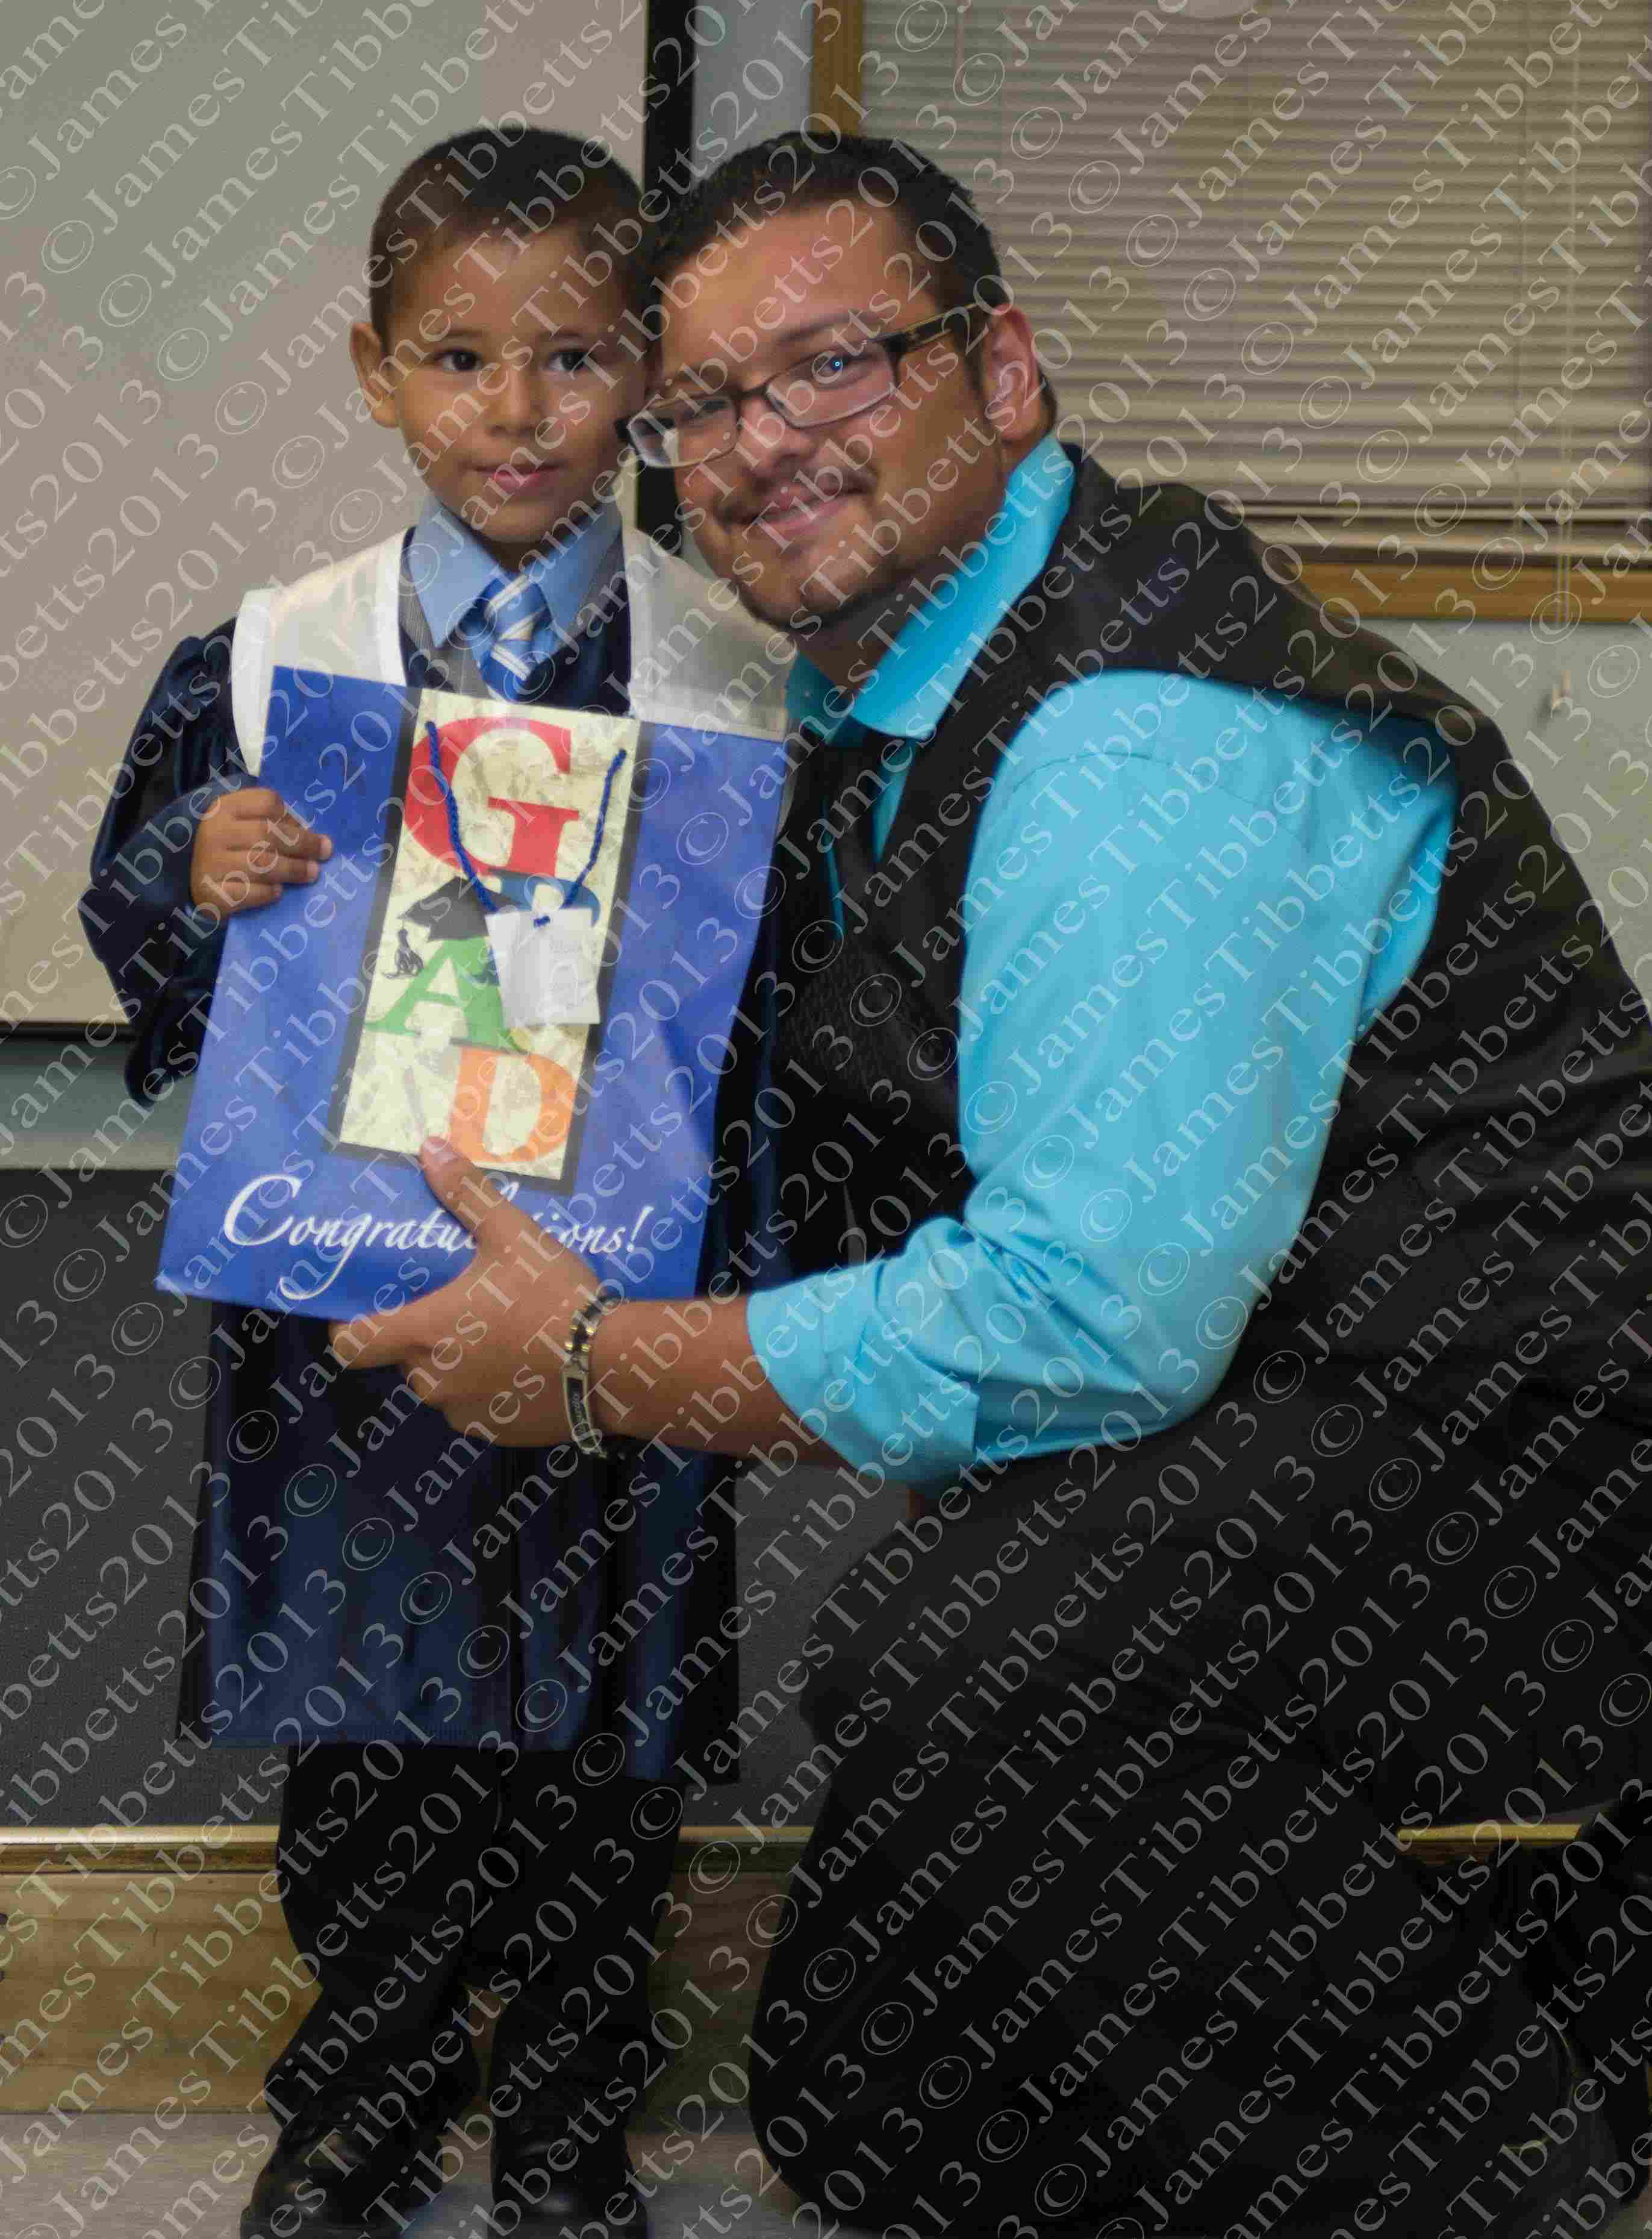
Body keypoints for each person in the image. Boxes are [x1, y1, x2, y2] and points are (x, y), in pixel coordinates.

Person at [334, 132, 1652, 2238]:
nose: (762, 445)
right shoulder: (892, 695)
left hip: (1542, 1456)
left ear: (1004, 371)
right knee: (868, 2089)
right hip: (1294, 1397)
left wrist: (590, 1363)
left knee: (972, 1667)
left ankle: (1486, 2173)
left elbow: (1090, 1318)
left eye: (835, 365)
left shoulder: (1135, 735)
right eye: (702, 404)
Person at [79, 127, 787, 2239]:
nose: (517, 410)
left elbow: (798, 996)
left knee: (600, 1743)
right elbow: (142, 922)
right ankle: (363, 2099)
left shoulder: (740, 673)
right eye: (461, 359)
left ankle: (570, 2115)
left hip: (612, 1303)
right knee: (370, 1737)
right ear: (375, 369)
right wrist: (192, 868)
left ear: (648, 373)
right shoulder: (270, 658)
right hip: (352, 1308)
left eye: (575, 358)